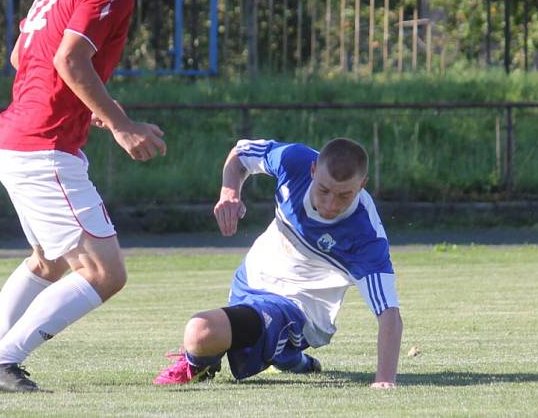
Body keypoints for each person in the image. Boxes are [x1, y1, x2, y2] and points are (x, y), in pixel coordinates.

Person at [0, 0, 167, 393]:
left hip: (15, 140)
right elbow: (70, 61)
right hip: (43, 146)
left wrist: (88, 108)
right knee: (106, 271)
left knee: (49, 263)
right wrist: (119, 123)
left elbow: (21, 58)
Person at [154, 137, 403, 388]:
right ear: (313, 169)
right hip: (249, 279)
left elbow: (389, 314)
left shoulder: (366, 236)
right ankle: (293, 360)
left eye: (344, 196)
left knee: (201, 332)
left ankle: (196, 365)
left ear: (362, 185)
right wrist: (229, 192)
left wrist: (384, 380)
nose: (330, 205)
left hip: (297, 309)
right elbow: (241, 153)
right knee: (249, 337)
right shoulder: (293, 161)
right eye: (324, 190)